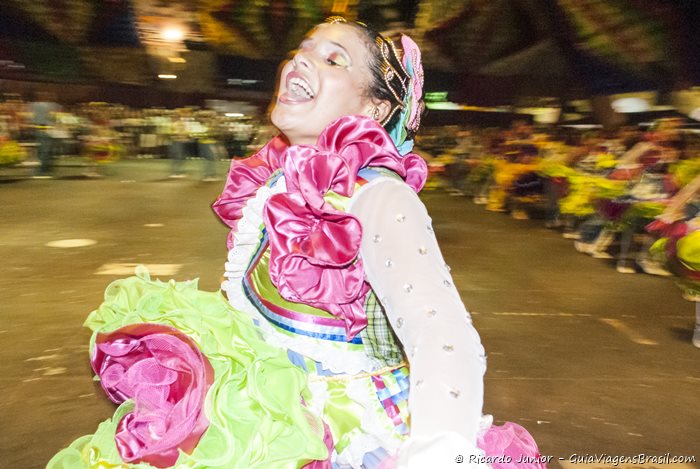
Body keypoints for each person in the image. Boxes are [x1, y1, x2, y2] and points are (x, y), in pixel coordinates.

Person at [49, 18, 544, 469]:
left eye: (335, 59)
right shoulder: (275, 182)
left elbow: (444, 338)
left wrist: (437, 456)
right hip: (265, 410)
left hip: (342, 435)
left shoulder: (378, 196)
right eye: (302, 49)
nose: (302, 59)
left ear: (374, 107)